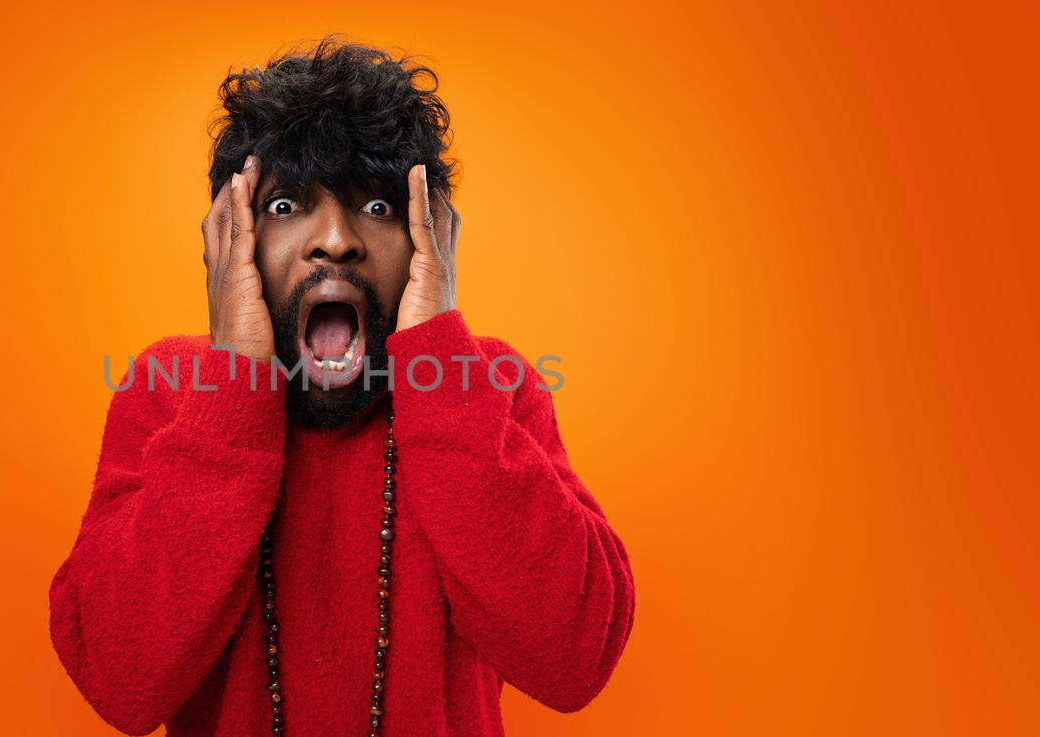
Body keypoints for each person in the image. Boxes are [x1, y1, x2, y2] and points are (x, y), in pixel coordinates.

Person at [48, 36, 635, 736]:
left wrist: (441, 357)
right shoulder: (168, 391)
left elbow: (572, 660)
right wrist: (234, 381)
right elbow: (121, 681)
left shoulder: (492, 388)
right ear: (230, 238)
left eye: (377, 207)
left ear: (432, 241)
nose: (335, 239)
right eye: (288, 206)